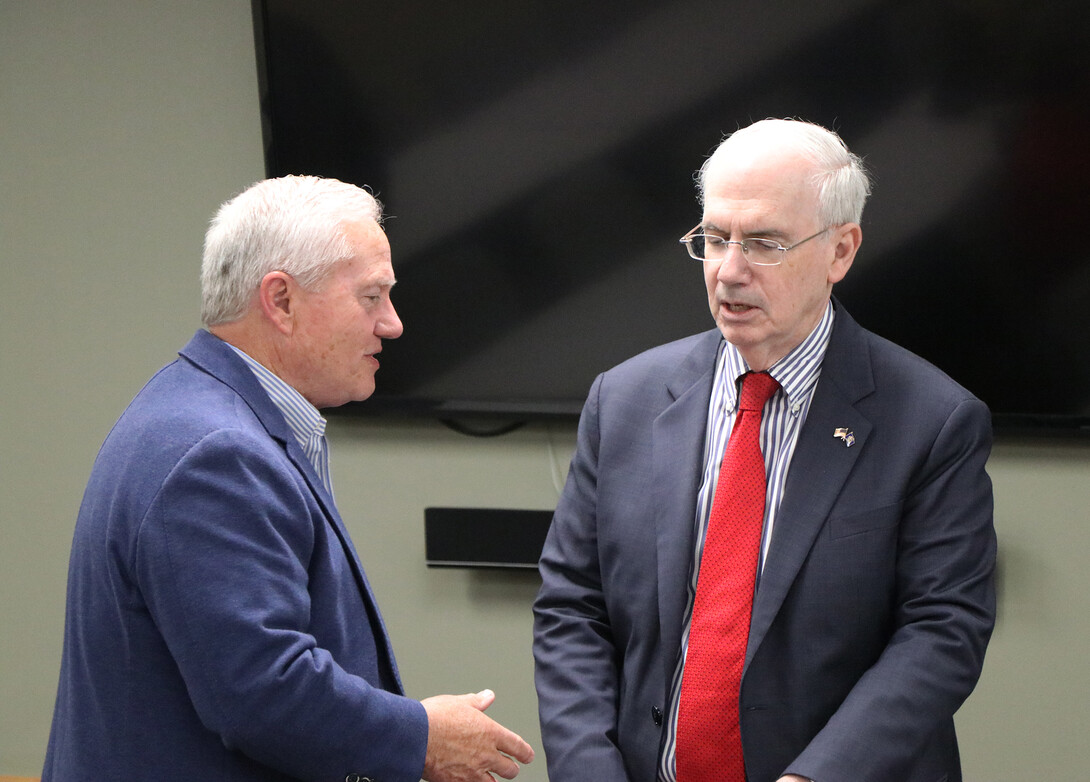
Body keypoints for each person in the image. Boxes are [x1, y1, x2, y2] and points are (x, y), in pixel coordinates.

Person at [532, 119, 996, 782]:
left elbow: (941, 633)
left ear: (841, 251)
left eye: (763, 244)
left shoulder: (932, 421)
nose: (728, 271)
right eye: (715, 239)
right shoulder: (626, 399)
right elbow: (573, 604)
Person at [43, 175, 534, 782]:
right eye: (372, 297)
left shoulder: (201, 413)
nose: (393, 324)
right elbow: (260, 692)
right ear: (280, 300)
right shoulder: (217, 453)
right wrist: (421, 737)